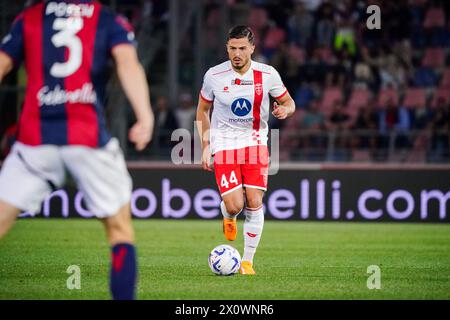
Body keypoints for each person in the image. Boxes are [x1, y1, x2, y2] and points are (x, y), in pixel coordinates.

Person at [0, 0, 154, 300]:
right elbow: (128, 63)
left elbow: (3, 63)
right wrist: (145, 116)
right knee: (120, 231)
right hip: (87, 139)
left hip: (34, 141)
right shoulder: (105, 18)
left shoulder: (30, 17)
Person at [196, 26, 295, 275]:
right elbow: (202, 111)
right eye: (232, 48)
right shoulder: (214, 75)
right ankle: (228, 216)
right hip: (225, 144)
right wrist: (206, 146)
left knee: (254, 202)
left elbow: (289, 102)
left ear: (252, 48)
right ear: (227, 48)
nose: (237, 53)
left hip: (255, 143)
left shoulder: (268, 74)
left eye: (242, 48)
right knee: (234, 205)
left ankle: (247, 262)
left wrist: (285, 110)